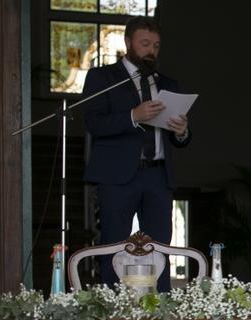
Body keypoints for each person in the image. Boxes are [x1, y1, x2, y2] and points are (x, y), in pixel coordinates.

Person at [82, 15, 191, 292]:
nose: (151, 51)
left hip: (158, 176)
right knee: (114, 245)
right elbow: (93, 123)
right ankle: (111, 306)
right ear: (128, 42)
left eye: (156, 45)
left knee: (160, 249)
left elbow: (180, 138)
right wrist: (133, 115)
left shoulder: (169, 84)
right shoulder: (103, 77)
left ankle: (160, 306)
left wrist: (181, 131)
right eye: (145, 44)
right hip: (117, 177)